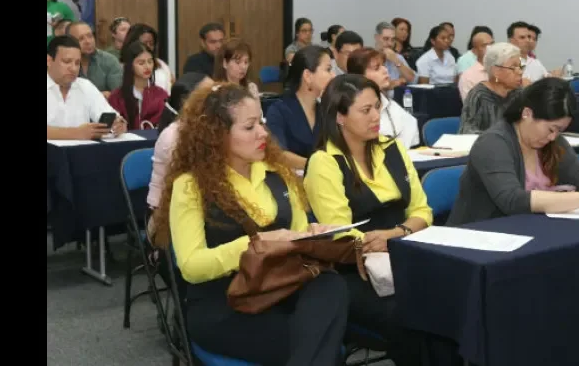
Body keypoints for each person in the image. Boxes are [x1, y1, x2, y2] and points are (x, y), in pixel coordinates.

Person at [150, 82, 347, 365]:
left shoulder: (277, 173)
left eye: (262, 123)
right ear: (217, 134)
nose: (263, 133)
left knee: (331, 286)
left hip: (280, 285)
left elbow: (299, 235)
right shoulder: (191, 186)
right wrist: (255, 246)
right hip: (224, 302)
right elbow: (192, 267)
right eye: (249, 127)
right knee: (318, 341)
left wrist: (313, 236)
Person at [304, 74, 433, 366]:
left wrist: (395, 233)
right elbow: (342, 237)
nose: (377, 116)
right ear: (340, 117)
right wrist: (389, 238)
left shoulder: (392, 148)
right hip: (356, 271)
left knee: (451, 300)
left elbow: (423, 211)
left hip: (405, 251)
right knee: (412, 316)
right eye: (366, 110)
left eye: (378, 107)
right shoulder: (325, 162)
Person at [447, 77, 579, 225]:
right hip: (480, 234)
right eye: (551, 129)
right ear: (527, 114)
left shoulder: (552, 142)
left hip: (528, 229)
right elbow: (513, 200)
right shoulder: (493, 143)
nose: (554, 137)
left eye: (559, 131)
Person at [147, 73, 213, 238]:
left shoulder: (211, 128)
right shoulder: (173, 136)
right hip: (168, 217)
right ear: (189, 104)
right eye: (211, 94)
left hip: (199, 209)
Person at [266, 46, 336, 170]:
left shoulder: (326, 111)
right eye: (328, 69)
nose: (333, 75)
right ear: (308, 76)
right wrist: (316, 165)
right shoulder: (279, 110)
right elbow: (278, 154)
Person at [47, 36, 127, 140]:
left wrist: (118, 124)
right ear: (48, 61)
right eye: (67, 61)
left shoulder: (85, 86)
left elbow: (108, 115)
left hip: (82, 152)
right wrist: (75, 133)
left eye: (77, 63)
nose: (73, 68)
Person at [347, 47, 420, 148]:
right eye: (377, 68)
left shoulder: (389, 104)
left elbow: (411, 127)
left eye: (383, 65)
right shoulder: (351, 109)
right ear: (360, 76)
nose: (385, 70)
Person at [458, 42, 523, 134]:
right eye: (514, 67)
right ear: (496, 71)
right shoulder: (479, 95)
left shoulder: (519, 93)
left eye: (520, 67)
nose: (520, 72)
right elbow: (466, 131)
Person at [108, 42, 169, 130]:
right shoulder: (116, 97)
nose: (147, 66)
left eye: (150, 61)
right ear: (130, 66)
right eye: (141, 63)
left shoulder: (161, 94)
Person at [67, 21, 123, 97]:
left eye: (90, 36)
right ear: (70, 42)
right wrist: (99, 95)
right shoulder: (64, 64)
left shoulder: (109, 60)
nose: (88, 41)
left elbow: (118, 96)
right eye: (81, 39)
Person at [123, 23, 175, 93]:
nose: (148, 47)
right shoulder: (120, 67)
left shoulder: (161, 65)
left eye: (151, 44)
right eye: (144, 43)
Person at [374, 21, 416, 92]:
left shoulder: (397, 57)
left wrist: (396, 60)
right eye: (386, 39)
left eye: (393, 40)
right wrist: (393, 83)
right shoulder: (369, 58)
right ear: (376, 37)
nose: (390, 43)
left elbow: (412, 79)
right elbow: (371, 85)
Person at [457, 27, 495, 100]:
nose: (490, 48)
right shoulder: (468, 76)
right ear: (475, 50)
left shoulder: (501, 69)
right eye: (485, 45)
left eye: (492, 44)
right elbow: (472, 106)